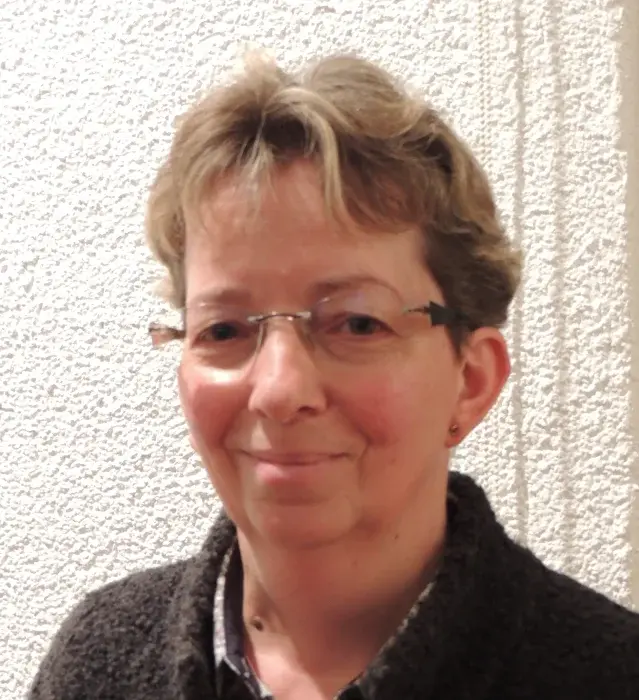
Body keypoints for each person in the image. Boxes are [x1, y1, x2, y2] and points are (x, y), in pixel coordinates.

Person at [29, 53, 639, 700]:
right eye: (224, 330)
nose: (279, 390)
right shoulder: (94, 664)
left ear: (470, 380)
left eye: (356, 323)